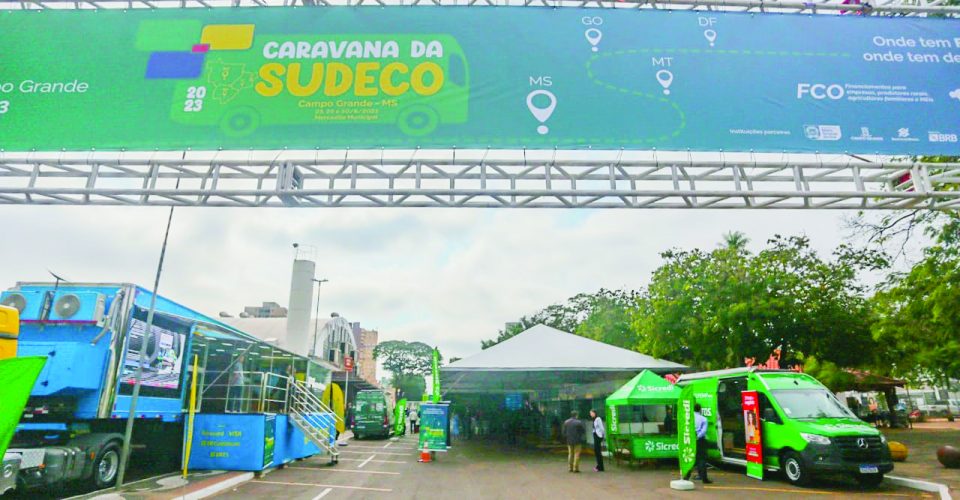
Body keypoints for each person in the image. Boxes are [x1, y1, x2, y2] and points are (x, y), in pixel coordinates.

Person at [684, 404, 712, 484]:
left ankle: (686, 476)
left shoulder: (689, 418)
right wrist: (697, 437)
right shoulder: (704, 419)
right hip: (700, 440)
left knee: (689, 457)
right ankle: (704, 478)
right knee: (701, 459)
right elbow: (703, 431)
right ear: (700, 409)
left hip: (690, 439)